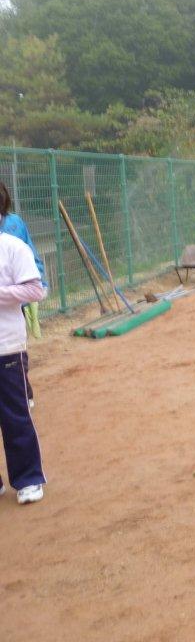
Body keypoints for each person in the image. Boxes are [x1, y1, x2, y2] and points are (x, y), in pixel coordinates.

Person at [0, 230, 47, 504]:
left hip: (6, 346)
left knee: (14, 415)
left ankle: (28, 479)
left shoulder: (12, 247)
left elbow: (34, 290)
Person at [0, 181, 45, 408]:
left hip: (20, 289)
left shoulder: (14, 226)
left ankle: (24, 393)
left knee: (15, 347)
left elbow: (30, 253)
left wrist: (40, 279)